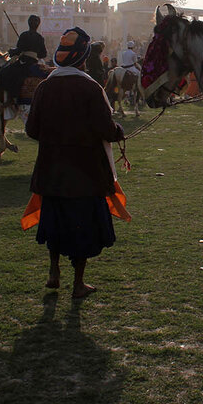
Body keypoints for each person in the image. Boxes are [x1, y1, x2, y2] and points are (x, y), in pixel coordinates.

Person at [25, 27, 126, 296]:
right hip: (85, 174)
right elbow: (106, 129)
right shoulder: (91, 89)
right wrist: (118, 132)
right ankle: (78, 283)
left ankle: (53, 271)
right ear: (82, 59)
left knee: (55, 225)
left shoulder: (45, 87)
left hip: (52, 171)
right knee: (83, 229)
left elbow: (31, 130)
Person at [0, 14, 48, 105]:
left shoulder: (24, 35)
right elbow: (43, 54)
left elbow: (19, 50)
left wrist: (12, 51)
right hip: (34, 61)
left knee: (5, 72)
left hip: (24, 62)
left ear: (28, 23)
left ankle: (11, 98)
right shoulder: (40, 38)